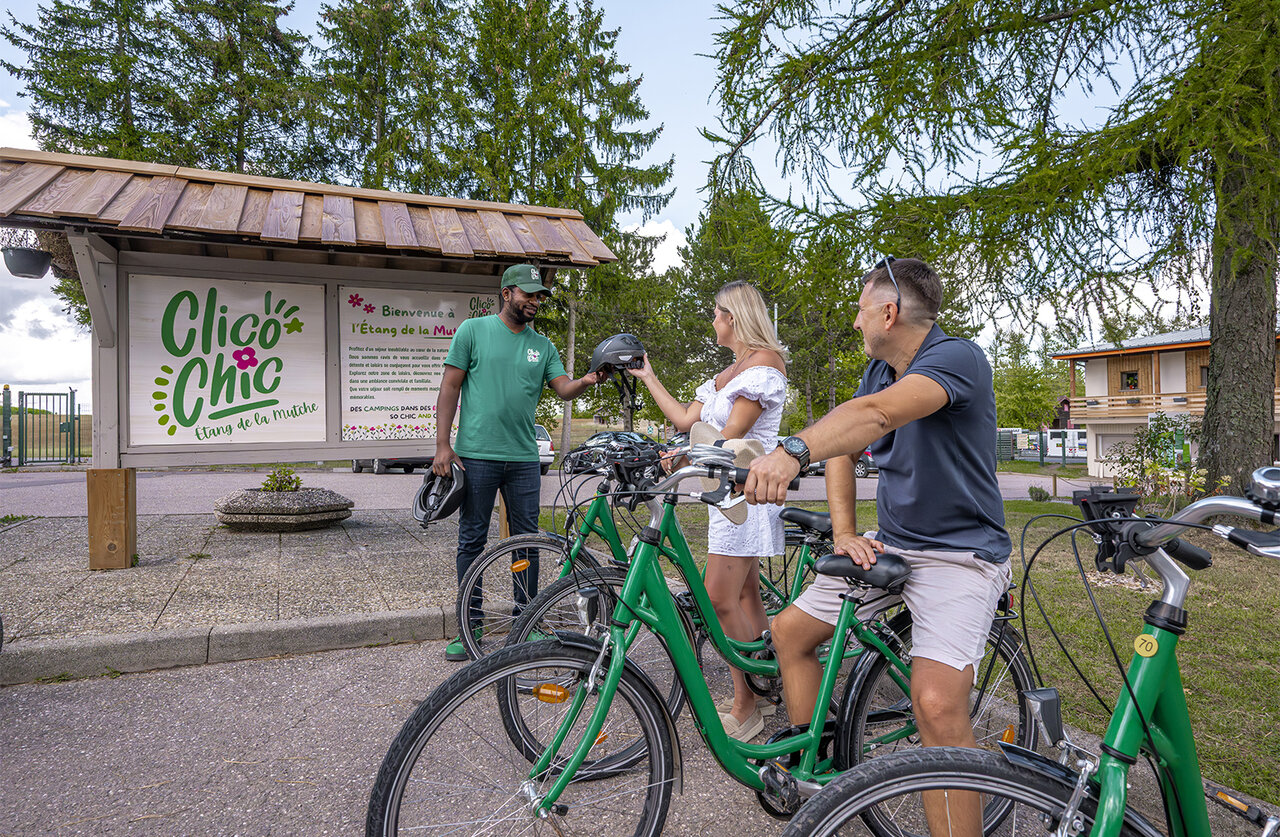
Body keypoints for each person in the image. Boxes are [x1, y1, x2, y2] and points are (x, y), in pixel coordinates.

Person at [745, 257, 1011, 837]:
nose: (856, 321)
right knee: (790, 634)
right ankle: (813, 766)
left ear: (889, 313)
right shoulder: (877, 373)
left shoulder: (955, 359)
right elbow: (844, 444)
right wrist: (844, 532)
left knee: (937, 706)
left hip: (959, 555)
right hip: (892, 544)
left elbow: (876, 416)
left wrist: (790, 450)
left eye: (862, 310)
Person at [628, 280, 787, 741]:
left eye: (716, 313)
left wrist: (683, 456)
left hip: (745, 493)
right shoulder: (730, 372)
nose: (712, 321)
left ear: (733, 318)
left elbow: (730, 437)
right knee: (745, 597)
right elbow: (686, 421)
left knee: (718, 598)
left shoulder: (763, 368)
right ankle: (768, 687)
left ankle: (747, 704)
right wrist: (649, 377)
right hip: (727, 494)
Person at [434, 263, 605, 661]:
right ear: (507, 292)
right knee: (471, 540)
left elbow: (563, 388)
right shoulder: (472, 332)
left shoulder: (542, 346)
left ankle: (524, 623)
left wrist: (587, 380)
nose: (535, 301)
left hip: (524, 459)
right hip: (476, 456)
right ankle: (469, 624)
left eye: (539, 295)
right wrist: (443, 444)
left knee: (526, 541)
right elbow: (449, 387)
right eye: (528, 294)